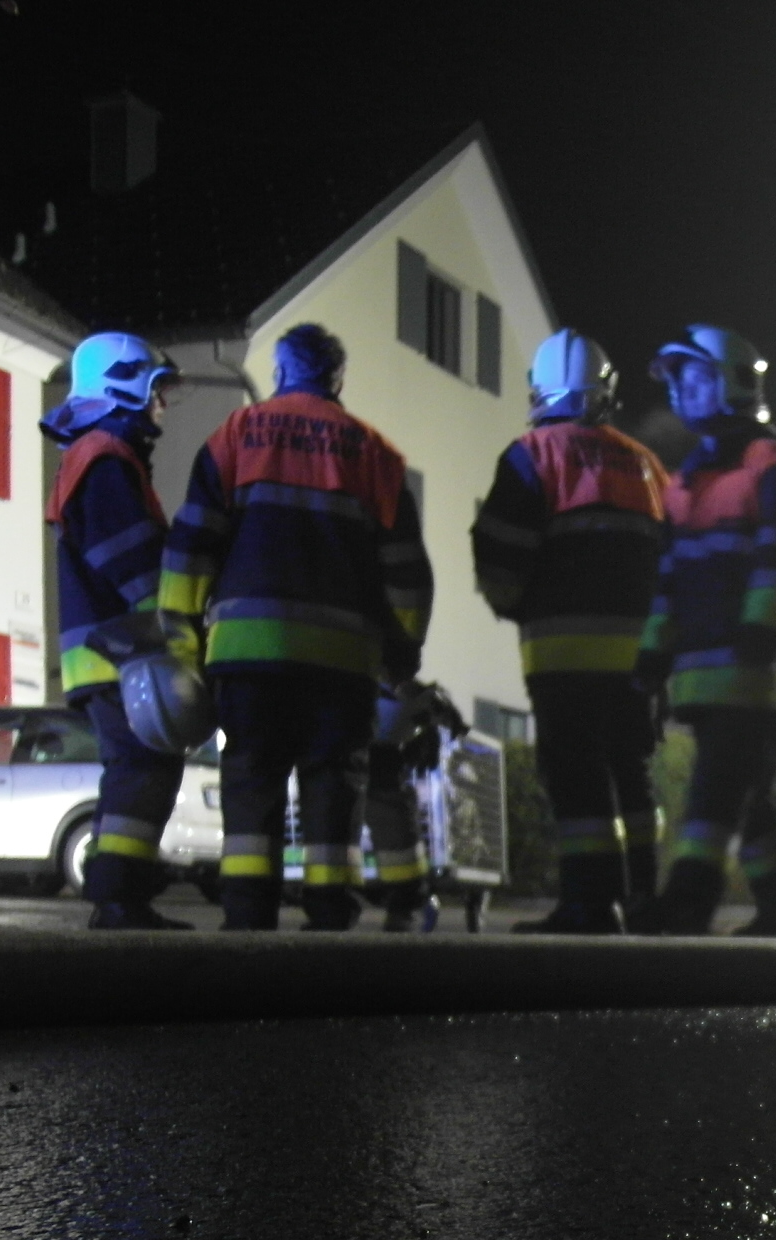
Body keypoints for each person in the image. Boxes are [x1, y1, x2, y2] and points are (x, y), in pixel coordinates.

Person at [159, 325, 432, 932]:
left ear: (280, 372)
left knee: (252, 779)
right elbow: (408, 576)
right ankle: (330, 910)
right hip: (343, 663)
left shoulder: (235, 436)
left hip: (249, 654)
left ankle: (247, 912)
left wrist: (181, 636)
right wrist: (401, 658)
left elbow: (191, 544)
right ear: (338, 379)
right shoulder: (377, 456)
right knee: (333, 783)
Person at [472, 330, 670, 933]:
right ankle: (644, 900)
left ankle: (590, 904)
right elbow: (676, 561)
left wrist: (513, 606)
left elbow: (499, 552)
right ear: (605, 391)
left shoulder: (532, 455)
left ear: (538, 390)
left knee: (576, 775)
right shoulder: (647, 465)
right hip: (639, 657)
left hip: (563, 653)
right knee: (631, 772)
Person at [635, 325, 776, 936]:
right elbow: (669, 578)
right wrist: (653, 654)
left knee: (713, 794)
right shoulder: (687, 480)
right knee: (751, 801)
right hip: (707, 676)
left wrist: (760, 633)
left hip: (750, 676)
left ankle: (688, 901)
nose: (682, 391)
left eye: (695, 377)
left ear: (733, 383)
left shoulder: (768, 465)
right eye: (678, 381)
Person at [41, 333, 189, 930]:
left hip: (106, 649)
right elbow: (126, 553)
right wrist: (173, 621)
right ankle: (119, 899)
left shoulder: (98, 454)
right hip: (123, 646)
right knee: (144, 767)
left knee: (134, 767)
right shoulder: (104, 457)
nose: (163, 404)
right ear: (123, 384)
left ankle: (117, 893)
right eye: (156, 390)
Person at [359, 678, 466, 932]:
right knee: (387, 806)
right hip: (375, 744)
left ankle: (332, 908)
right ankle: (404, 903)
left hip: (345, 723)